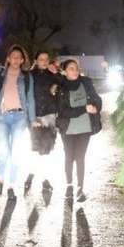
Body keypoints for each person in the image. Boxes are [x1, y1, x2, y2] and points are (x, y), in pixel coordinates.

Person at [0, 45, 36, 200]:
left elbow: (30, 99)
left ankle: (12, 186)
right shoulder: (0, 75)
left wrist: (33, 120)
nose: (15, 59)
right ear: (8, 59)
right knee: (3, 151)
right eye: (13, 56)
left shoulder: (27, 77)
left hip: (20, 117)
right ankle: (0, 178)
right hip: (2, 117)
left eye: (18, 57)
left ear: (22, 60)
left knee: (16, 152)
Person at [54, 59, 102, 202]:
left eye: (76, 68)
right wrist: (84, 109)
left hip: (85, 128)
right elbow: (64, 112)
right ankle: (69, 186)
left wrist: (96, 107)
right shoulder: (61, 88)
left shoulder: (86, 83)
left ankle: (80, 189)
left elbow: (97, 99)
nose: (75, 71)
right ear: (65, 71)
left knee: (80, 157)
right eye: (71, 68)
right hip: (67, 128)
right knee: (69, 157)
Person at [27, 50, 62, 192]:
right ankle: (32, 174)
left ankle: (44, 179)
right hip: (35, 116)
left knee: (46, 149)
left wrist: (56, 74)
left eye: (46, 59)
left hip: (50, 115)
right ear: (36, 61)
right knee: (36, 148)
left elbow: (63, 83)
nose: (44, 62)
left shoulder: (52, 75)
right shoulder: (30, 75)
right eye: (41, 59)